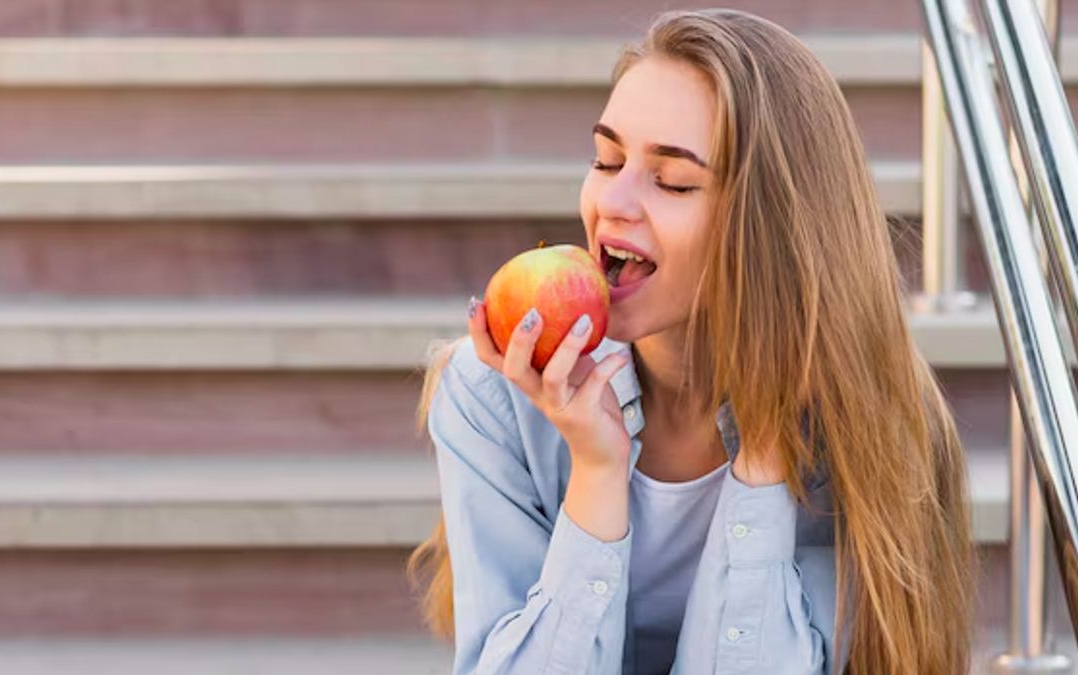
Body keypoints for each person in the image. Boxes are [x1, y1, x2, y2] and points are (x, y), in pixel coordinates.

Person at [405, 8, 975, 674]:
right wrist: (596, 473)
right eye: (606, 158)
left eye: (673, 180)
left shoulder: (863, 422)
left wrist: (765, 454)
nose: (612, 201)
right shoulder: (494, 393)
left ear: (772, 226)